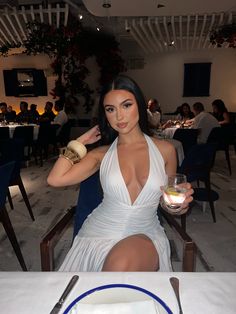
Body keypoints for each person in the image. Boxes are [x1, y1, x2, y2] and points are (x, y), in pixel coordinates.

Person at [47, 75, 193, 272]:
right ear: (105, 114)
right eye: (110, 109)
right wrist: (79, 143)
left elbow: (165, 202)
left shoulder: (166, 150)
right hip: (98, 234)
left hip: (144, 233)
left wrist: (178, 206)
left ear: (139, 106)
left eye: (126, 105)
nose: (119, 116)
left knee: (120, 267)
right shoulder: (101, 154)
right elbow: (55, 179)